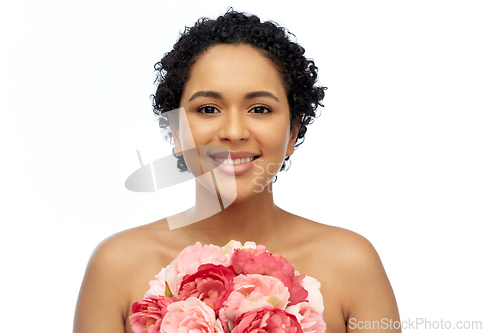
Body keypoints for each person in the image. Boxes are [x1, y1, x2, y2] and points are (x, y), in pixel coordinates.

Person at [74, 10, 400, 333]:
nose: (233, 131)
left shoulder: (352, 265)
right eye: (207, 109)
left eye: (260, 109)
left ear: (292, 132)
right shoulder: (117, 266)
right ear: (176, 131)